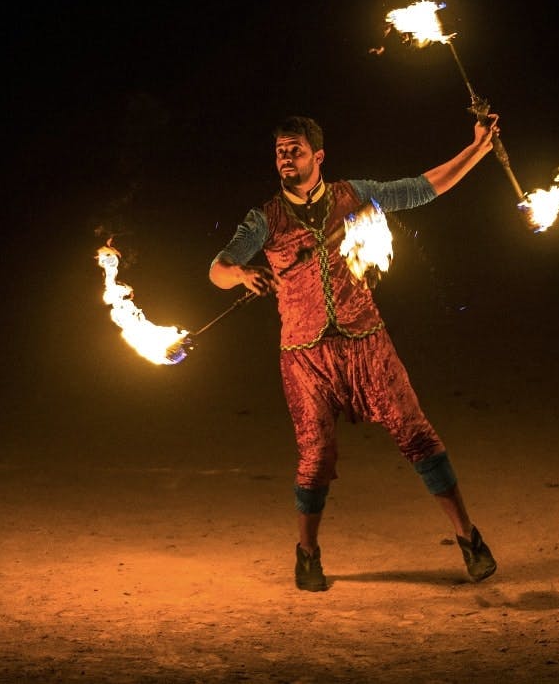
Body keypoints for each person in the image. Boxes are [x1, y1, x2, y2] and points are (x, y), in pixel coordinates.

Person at [209, 113, 499, 591]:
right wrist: (241, 275)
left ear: (317, 157)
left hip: (367, 343)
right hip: (304, 356)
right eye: (280, 150)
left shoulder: (353, 194)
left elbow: (421, 188)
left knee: (417, 435)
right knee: (316, 456)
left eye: (295, 149)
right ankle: (307, 553)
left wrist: (478, 150)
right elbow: (218, 267)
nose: (285, 157)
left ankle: (468, 538)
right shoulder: (264, 219)